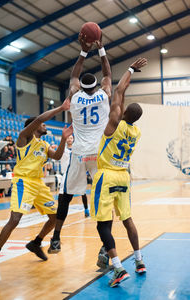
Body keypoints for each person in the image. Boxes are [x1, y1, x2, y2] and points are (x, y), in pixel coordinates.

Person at [0, 99, 73, 276]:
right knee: (14, 220)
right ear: (35, 127)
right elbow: (36, 120)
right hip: (23, 182)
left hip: (38, 184)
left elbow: (57, 157)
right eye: (42, 124)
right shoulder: (24, 138)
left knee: (54, 218)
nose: (44, 126)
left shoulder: (43, 145)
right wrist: (61, 108)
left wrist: (64, 139)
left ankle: (36, 242)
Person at [48, 34, 112, 253]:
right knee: (103, 197)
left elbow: (74, 75)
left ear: (80, 86)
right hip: (99, 153)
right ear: (96, 85)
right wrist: (101, 49)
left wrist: (84, 51)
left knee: (66, 194)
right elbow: (108, 74)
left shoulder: (74, 96)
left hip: (79, 153)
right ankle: (106, 246)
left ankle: (56, 238)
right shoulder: (104, 94)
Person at [90, 58, 147, 288]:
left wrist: (131, 69)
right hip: (124, 176)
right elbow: (121, 97)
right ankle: (139, 261)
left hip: (107, 176)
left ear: (123, 113)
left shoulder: (114, 123)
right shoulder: (136, 132)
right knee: (127, 219)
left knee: (102, 225)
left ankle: (117, 267)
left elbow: (119, 90)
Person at [59, 134, 90, 218]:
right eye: (68, 137)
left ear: (73, 139)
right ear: (66, 140)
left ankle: (86, 210)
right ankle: (60, 209)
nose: (69, 139)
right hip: (66, 173)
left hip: (77, 173)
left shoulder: (77, 150)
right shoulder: (62, 149)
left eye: (71, 138)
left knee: (83, 192)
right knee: (61, 193)